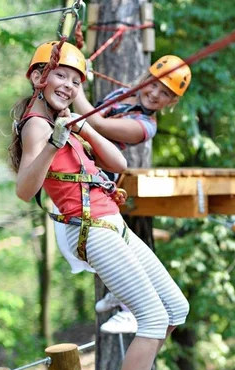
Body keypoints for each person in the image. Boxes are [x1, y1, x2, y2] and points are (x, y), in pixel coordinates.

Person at [9, 41, 189, 370]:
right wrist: (53, 143)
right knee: (153, 318)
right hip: (91, 228)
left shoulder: (64, 121)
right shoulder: (37, 124)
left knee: (175, 309)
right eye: (61, 75)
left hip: (111, 222)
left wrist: (82, 128)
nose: (68, 85)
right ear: (38, 77)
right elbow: (24, 190)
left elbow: (119, 165)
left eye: (76, 81)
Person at [58, 56, 192, 335]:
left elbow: (98, 124)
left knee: (101, 242)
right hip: (83, 161)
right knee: (99, 246)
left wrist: (74, 84)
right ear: (146, 78)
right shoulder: (123, 94)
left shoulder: (145, 126)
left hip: (99, 175)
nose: (155, 94)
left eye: (165, 93)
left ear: (171, 102)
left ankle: (129, 306)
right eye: (154, 84)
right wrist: (80, 72)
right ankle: (119, 293)